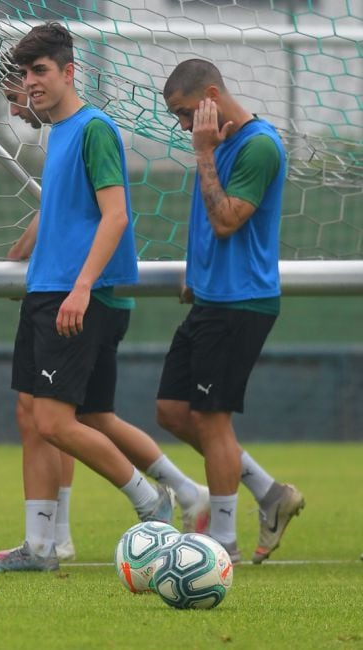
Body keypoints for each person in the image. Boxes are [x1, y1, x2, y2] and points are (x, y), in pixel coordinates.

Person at [0, 62, 210, 573]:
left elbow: (115, 214)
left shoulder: (92, 128)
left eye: (30, 81)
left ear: (66, 72)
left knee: (56, 419)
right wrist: (17, 260)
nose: (21, 102)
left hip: (79, 294)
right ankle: (44, 545)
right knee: (53, 416)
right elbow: (56, 211)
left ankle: (152, 501)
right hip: (53, 288)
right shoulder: (63, 134)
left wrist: (81, 286)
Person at [157, 58, 303, 564]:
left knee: (212, 419)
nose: (183, 125)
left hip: (242, 302)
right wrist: (195, 277)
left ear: (212, 96)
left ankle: (222, 543)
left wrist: (203, 153)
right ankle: (269, 493)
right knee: (173, 412)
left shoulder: (258, 145)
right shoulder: (217, 146)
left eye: (185, 112)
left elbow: (225, 222)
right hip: (212, 298)